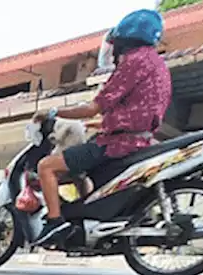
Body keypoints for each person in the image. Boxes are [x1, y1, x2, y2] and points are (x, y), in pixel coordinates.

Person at [32, 9, 171, 247]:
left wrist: (53, 112)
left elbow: (93, 107)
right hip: (140, 138)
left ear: (125, 39)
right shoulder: (157, 64)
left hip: (117, 145)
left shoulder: (133, 62)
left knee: (46, 166)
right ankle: (86, 216)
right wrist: (99, 123)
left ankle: (55, 223)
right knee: (78, 167)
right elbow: (136, 110)